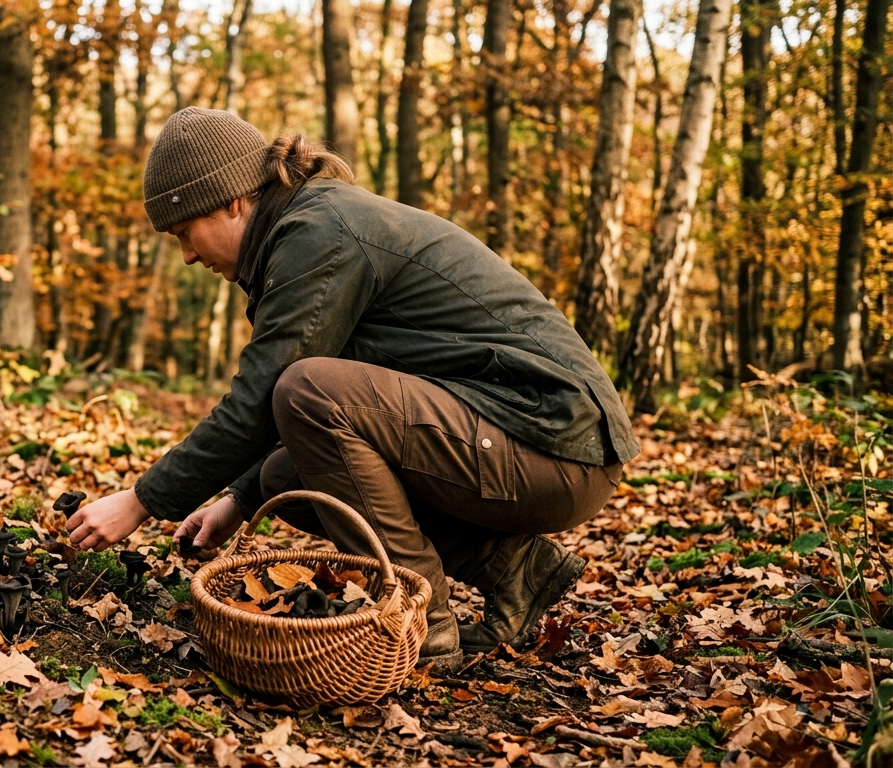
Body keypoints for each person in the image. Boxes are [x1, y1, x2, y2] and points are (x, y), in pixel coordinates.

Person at [65, 107, 639, 670]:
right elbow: (321, 412)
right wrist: (238, 500)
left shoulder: (320, 234)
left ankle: (422, 623)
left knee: (308, 389)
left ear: (233, 201)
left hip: (555, 445)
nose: (188, 255)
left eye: (185, 232)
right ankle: (515, 572)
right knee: (283, 475)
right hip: (531, 446)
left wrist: (141, 501)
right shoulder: (304, 232)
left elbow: (270, 395)